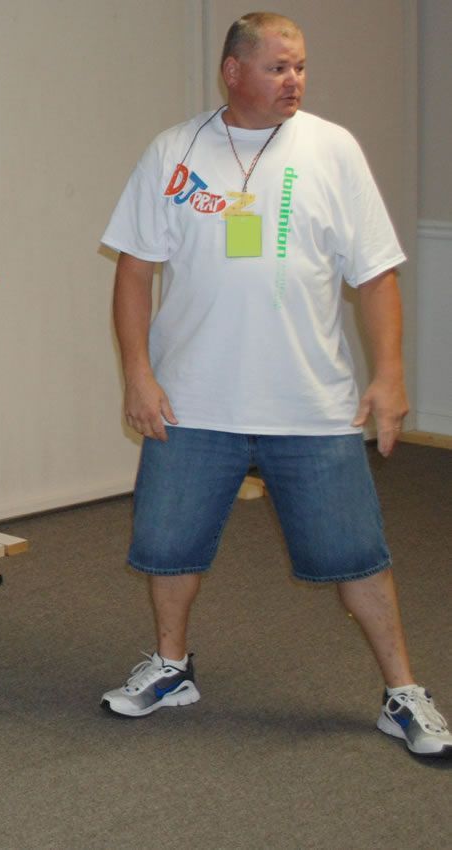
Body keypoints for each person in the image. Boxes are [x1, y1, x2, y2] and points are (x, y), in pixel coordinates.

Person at [99, 12, 451, 758]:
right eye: (277, 67)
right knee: (168, 546)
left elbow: (376, 274)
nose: (294, 80)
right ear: (232, 71)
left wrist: (390, 376)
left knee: (355, 553)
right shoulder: (174, 150)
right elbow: (134, 271)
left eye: (300, 67)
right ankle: (170, 665)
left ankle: (402, 692)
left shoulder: (332, 149)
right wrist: (138, 374)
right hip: (192, 399)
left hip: (310, 403)